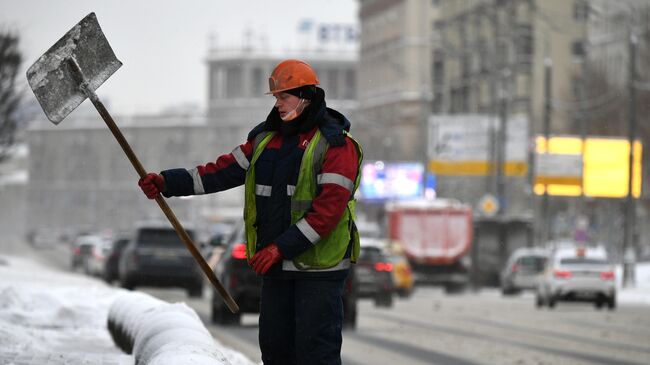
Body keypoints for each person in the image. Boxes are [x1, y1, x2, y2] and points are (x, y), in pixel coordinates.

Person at [138, 59, 363, 365]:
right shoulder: (265, 140)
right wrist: (168, 181)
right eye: (276, 98)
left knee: (316, 355)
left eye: (284, 97)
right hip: (276, 271)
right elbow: (218, 173)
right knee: (275, 352)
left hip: (318, 273)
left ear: (307, 96)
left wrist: (279, 248)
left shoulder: (336, 146)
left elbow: (328, 212)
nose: (279, 104)